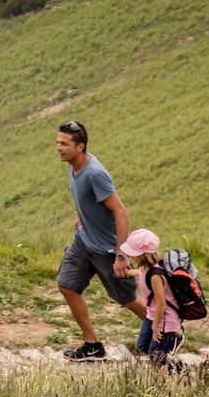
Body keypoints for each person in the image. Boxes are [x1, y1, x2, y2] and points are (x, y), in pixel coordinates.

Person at [53, 120, 146, 360]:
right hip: (84, 241)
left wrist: (122, 254)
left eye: (64, 143)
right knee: (67, 285)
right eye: (58, 142)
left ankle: (166, 330)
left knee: (126, 298)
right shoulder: (73, 165)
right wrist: (83, 217)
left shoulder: (95, 174)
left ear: (80, 146)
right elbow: (89, 199)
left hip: (107, 249)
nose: (59, 148)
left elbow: (121, 212)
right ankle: (92, 345)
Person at [117, 228, 182, 364]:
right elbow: (140, 273)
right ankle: (169, 359)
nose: (130, 256)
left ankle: (173, 371)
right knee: (142, 345)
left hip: (164, 320)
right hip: (152, 315)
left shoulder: (156, 276)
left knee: (155, 356)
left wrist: (155, 327)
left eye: (132, 253)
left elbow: (162, 304)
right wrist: (127, 273)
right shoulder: (145, 268)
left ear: (142, 254)